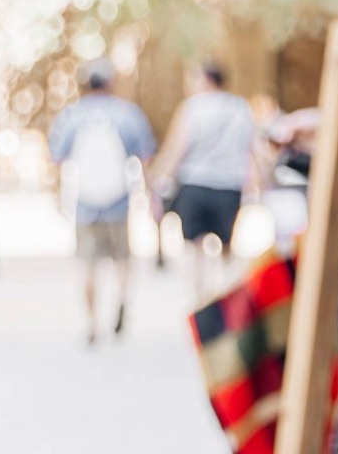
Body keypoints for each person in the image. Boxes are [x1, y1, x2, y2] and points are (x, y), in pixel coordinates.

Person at [49, 61, 157, 344]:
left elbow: (57, 160)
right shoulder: (127, 114)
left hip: (85, 202)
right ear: (110, 83)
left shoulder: (71, 116)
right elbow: (144, 157)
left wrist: (58, 196)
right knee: (122, 258)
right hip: (118, 200)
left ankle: (91, 323)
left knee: (86, 264)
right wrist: (148, 193)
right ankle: (121, 302)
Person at [150, 59, 258, 293]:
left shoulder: (192, 107)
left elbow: (177, 148)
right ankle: (228, 301)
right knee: (228, 246)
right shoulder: (240, 107)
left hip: (195, 185)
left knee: (194, 248)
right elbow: (251, 149)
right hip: (230, 185)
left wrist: (160, 179)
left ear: (207, 79)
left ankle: (198, 301)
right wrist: (256, 183)